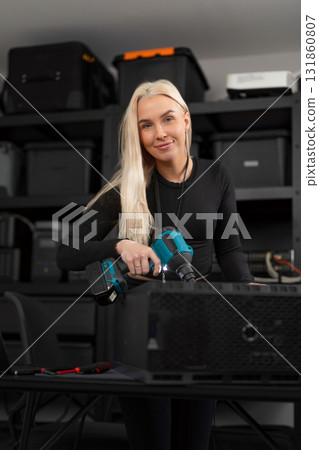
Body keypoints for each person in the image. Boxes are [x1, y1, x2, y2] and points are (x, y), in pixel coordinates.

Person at [56, 79, 255, 450]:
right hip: (140, 333)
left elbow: (229, 249)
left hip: (200, 329)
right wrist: (119, 243)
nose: (159, 133)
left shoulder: (217, 175)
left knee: (192, 442)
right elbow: (66, 251)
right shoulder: (129, 185)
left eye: (167, 119)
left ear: (186, 120)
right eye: (146, 125)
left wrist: (247, 288)